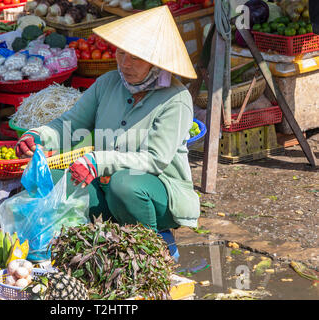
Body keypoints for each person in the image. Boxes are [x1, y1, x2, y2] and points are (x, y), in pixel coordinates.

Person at [15, 6, 200, 260]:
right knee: (56, 177)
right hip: (106, 188)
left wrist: (97, 161)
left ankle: (155, 246)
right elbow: (70, 124)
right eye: (121, 53)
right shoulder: (107, 83)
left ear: (156, 61)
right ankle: (104, 238)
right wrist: (36, 136)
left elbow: (154, 159)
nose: (125, 64)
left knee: (124, 183)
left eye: (135, 58)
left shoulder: (176, 99)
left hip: (157, 193)